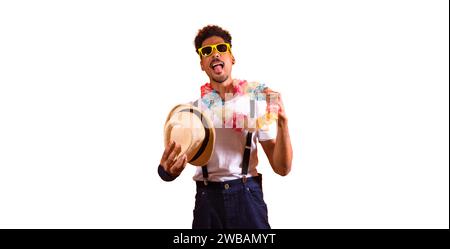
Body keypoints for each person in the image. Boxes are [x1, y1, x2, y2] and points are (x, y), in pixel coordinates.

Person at [158, 25, 293, 229]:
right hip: (207, 201)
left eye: (221, 48)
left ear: (232, 57)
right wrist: (166, 172)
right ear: (202, 64)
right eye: (206, 52)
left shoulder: (253, 104)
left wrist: (283, 124)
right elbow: (170, 165)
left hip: (248, 198)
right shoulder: (193, 112)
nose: (214, 54)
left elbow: (282, 168)